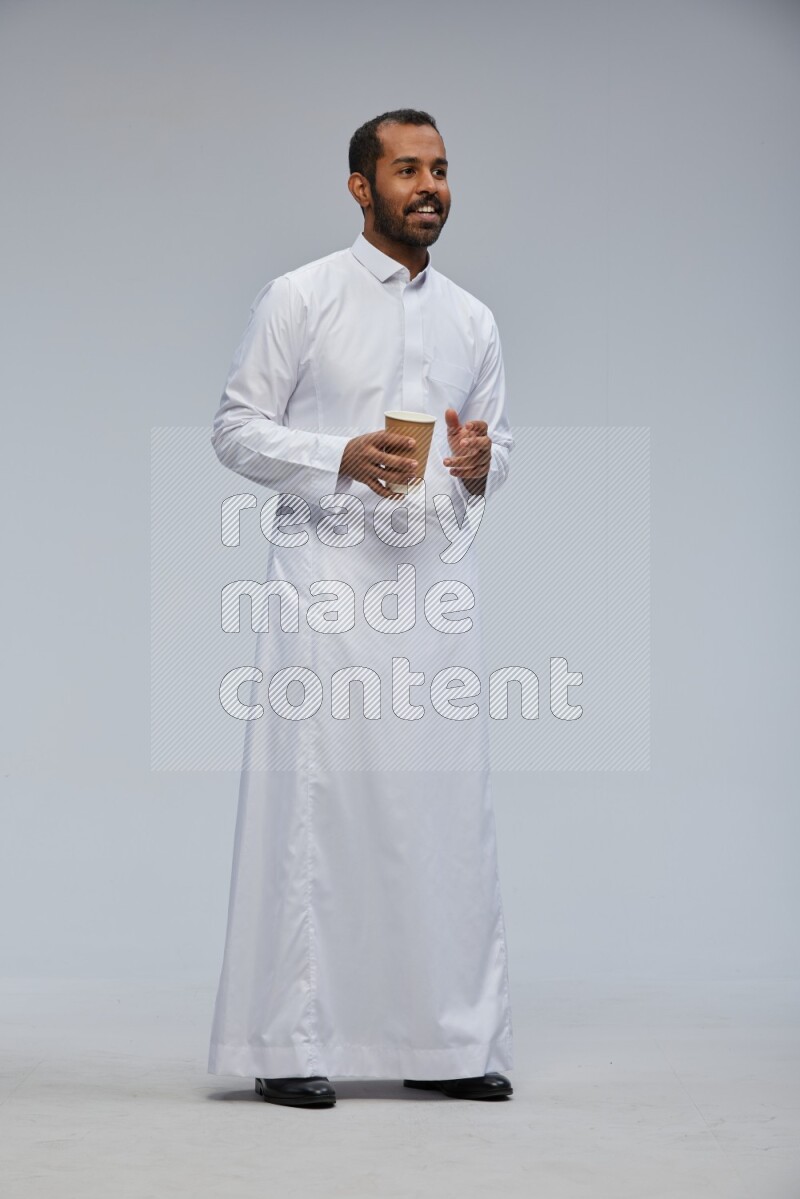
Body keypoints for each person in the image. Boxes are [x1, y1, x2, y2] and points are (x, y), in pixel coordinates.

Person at [208, 108, 515, 1108]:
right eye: (406, 169)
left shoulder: (472, 319)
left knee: (441, 810)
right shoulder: (302, 296)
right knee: (318, 803)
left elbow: (495, 446)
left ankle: (448, 1038)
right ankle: (288, 1038)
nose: (429, 187)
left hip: (434, 591)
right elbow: (235, 428)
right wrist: (335, 454)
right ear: (360, 186)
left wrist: (482, 462)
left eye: (440, 170)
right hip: (327, 588)